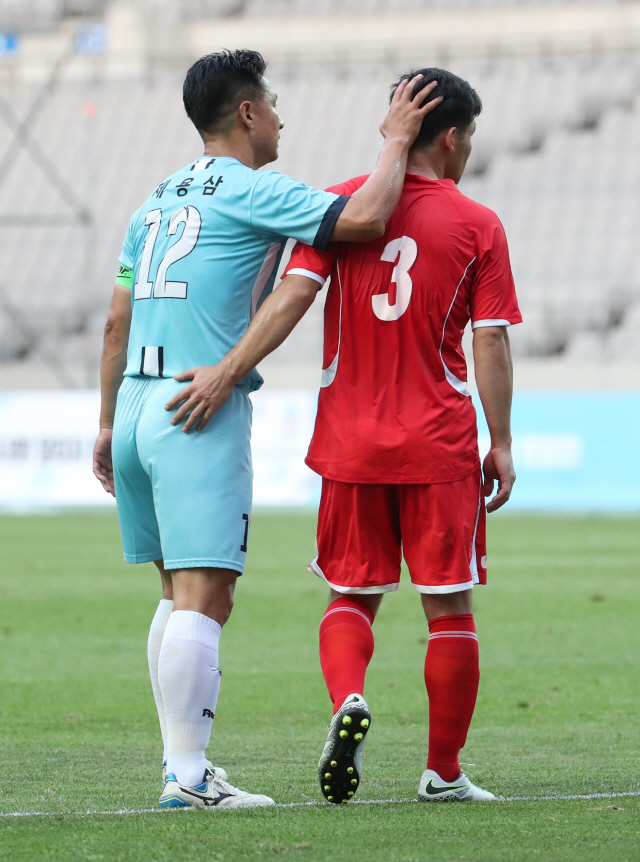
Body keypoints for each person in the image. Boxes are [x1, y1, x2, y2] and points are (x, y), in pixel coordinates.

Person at [93, 48, 441, 810]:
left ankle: (184, 766)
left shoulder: (152, 200)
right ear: (246, 113)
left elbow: (117, 320)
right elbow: (366, 217)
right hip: (197, 403)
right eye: (273, 102)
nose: (282, 115)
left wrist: (102, 425)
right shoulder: (255, 190)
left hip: (135, 407)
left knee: (173, 591)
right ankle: (186, 777)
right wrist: (391, 140)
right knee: (206, 596)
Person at [185, 67, 521, 805]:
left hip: (349, 441)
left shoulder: (338, 205)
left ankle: (348, 700)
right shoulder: (478, 224)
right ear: (453, 137)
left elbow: (292, 297)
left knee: (350, 597)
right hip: (438, 443)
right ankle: (444, 771)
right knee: (449, 608)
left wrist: (228, 367)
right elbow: (489, 343)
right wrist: (500, 440)